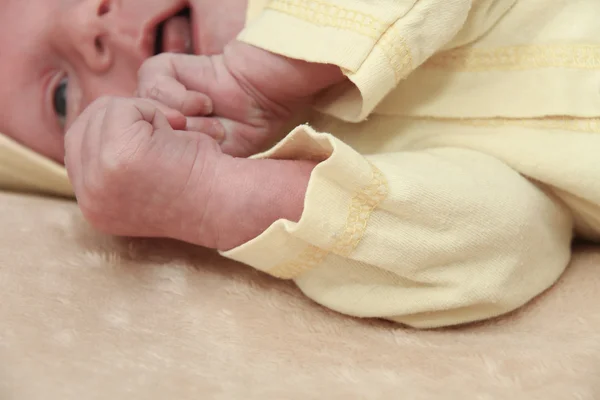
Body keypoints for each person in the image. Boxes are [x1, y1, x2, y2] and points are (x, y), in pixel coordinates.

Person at [2, 0, 600, 328]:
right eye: (61, 95)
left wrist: (258, 70)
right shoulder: (317, 166)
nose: (89, 23)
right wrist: (218, 195)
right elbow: (502, 247)